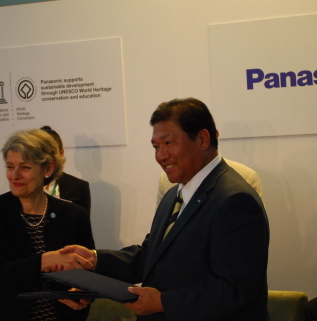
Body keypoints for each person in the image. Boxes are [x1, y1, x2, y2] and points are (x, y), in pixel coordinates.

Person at [58, 97, 270, 320]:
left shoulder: (235, 200)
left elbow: (235, 291)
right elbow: (151, 255)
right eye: (156, 146)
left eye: (168, 143)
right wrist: (94, 260)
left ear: (203, 139)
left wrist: (161, 302)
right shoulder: (173, 194)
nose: (160, 156)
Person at [0, 128, 95, 321]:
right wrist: (44, 261)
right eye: (10, 166)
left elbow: (88, 271)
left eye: (25, 167)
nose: (14, 175)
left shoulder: (74, 215)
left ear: (48, 169)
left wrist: (83, 294)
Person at [156, 158, 263, 206]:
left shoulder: (246, 177)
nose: (161, 156)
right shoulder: (166, 180)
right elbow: (157, 240)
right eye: (156, 146)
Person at [40, 125, 91, 214]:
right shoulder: (26, 186)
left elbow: (83, 226)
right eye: (41, 152)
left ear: (61, 153)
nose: (46, 158)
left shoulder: (79, 187)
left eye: (51, 152)